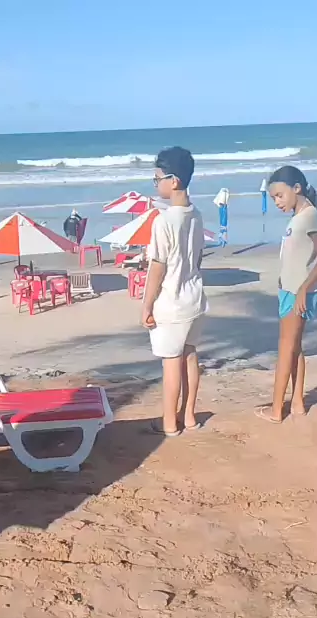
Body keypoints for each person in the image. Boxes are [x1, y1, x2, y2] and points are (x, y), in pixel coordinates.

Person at [142, 146, 207, 436]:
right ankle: (189, 415)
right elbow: (198, 257)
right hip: (194, 297)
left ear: (174, 181)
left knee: (171, 364)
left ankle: (169, 422)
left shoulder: (164, 221)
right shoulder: (197, 215)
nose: (155, 184)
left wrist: (146, 305)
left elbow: (158, 267)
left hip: (171, 301)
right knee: (190, 356)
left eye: (157, 179)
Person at [255, 166, 317, 423]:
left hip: (297, 292)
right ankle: (297, 403)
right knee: (294, 347)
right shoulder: (300, 216)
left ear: (297, 188)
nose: (277, 202)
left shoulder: (310, 216)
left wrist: (304, 288)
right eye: (273, 198)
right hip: (290, 290)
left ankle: (275, 410)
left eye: (280, 196)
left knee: (285, 348)